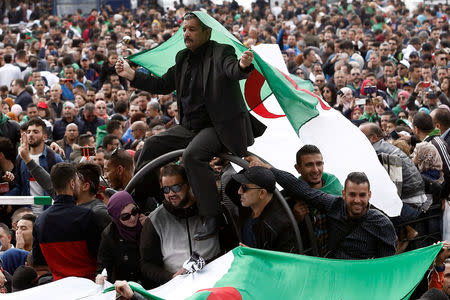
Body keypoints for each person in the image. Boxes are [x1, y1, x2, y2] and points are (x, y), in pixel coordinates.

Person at [116, 12, 266, 240]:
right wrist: (132, 75)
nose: (186, 34)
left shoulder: (220, 52)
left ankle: (212, 216)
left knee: (193, 156)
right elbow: (163, 84)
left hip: (218, 127)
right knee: (150, 146)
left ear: (207, 32)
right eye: (184, 29)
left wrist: (243, 66)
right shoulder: (182, 57)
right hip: (190, 126)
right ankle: (149, 200)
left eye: (192, 29)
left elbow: (233, 70)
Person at [246, 156, 397, 259]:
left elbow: (388, 265)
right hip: (333, 275)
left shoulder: (382, 224)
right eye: (352, 195)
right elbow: (301, 189)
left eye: (362, 195)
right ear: (343, 194)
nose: (357, 200)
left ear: (369, 195)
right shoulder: (334, 205)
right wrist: (268, 168)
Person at [139, 164, 220, 288]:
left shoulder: (211, 210)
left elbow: (231, 247)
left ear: (188, 184)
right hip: (178, 288)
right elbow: (146, 264)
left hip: (215, 282)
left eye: (176, 187)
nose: (171, 193)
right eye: (166, 189)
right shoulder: (155, 220)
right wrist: (171, 277)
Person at [32, 162, 100, 281]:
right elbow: (99, 254)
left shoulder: (40, 221)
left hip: (59, 288)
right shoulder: (86, 216)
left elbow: (38, 261)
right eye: (78, 180)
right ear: (72, 184)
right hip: (88, 285)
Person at [225, 166, 298, 253]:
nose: (239, 191)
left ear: (262, 193)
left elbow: (282, 262)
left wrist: (255, 255)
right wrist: (251, 167)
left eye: (244, 188)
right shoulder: (248, 205)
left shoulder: (281, 226)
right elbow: (230, 189)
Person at [291, 145, 343, 256]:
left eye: (319, 164)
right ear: (298, 168)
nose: (315, 170)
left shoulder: (334, 184)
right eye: (309, 165)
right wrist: (295, 219)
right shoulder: (291, 194)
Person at [7, 118, 63, 215]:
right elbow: (19, 185)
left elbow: (62, 189)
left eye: (35, 132)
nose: (31, 134)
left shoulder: (54, 158)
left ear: (44, 137)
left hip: (49, 212)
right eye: (28, 132)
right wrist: (7, 198)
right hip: (27, 212)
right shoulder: (20, 157)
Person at [95, 191, 145, 285]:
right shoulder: (109, 235)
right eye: (125, 216)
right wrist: (102, 277)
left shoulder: (146, 223)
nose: (133, 218)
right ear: (116, 218)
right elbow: (103, 266)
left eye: (134, 211)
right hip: (124, 287)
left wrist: (150, 228)